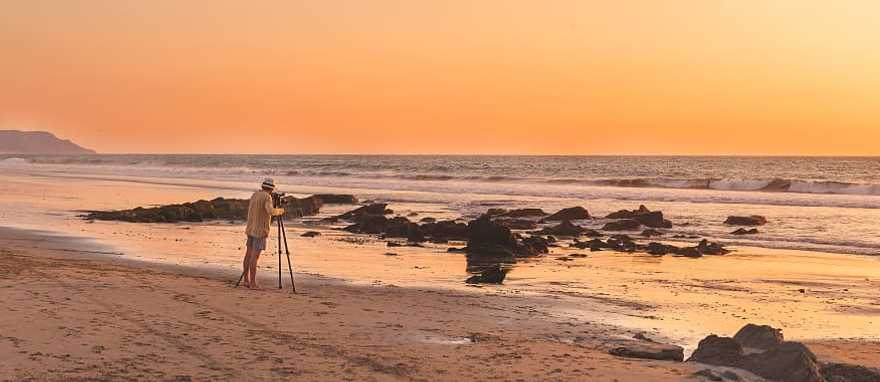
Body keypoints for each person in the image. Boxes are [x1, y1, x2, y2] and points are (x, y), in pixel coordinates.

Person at [241, 178, 285, 288]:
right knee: (254, 257)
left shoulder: (255, 194)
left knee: (248, 255)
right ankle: (253, 283)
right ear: (271, 189)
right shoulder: (267, 197)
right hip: (260, 231)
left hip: (251, 228)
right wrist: (280, 211)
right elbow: (270, 211)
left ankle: (246, 280)